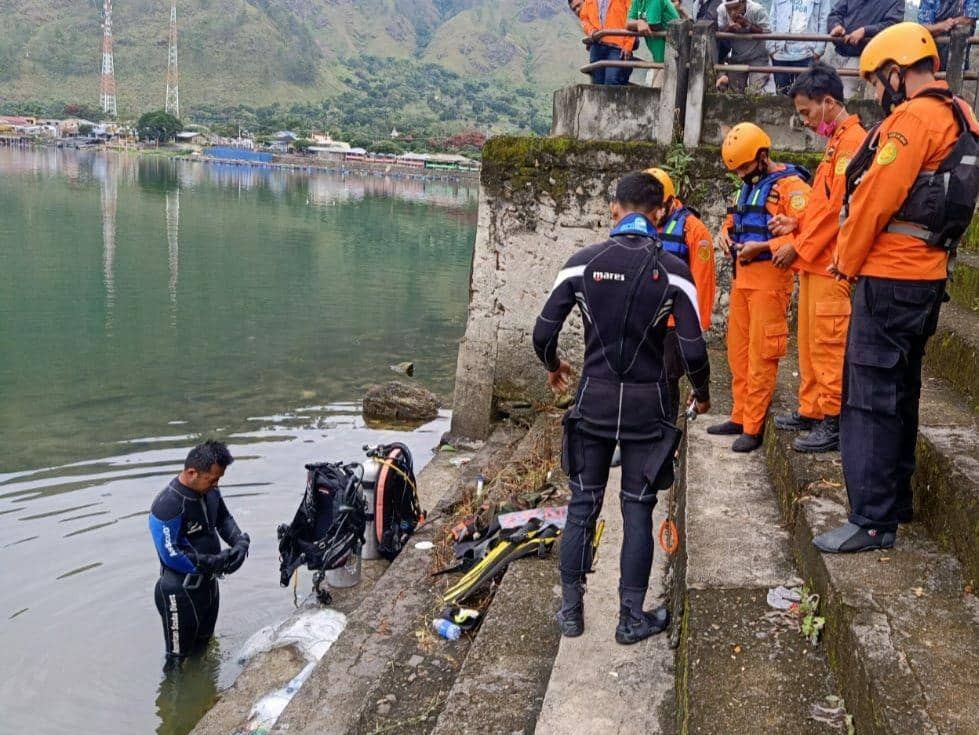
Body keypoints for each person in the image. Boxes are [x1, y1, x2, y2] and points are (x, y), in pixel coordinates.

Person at [813, 22, 979, 553]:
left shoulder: (913, 119)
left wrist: (844, 263)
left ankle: (871, 518)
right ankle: (896, 500)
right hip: (927, 275)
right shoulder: (961, 114)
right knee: (901, 390)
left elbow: (876, 199)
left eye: (875, 81)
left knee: (868, 398)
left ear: (895, 72)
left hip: (890, 276)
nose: (876, 93)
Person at [533, 171, 711, 644]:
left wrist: (553, 365)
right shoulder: (674, 270)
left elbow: (542, 334)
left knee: (582, 504)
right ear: (660, 213)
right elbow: (693, 350)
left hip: (592, 402)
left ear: (614, 209)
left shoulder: (581, 264)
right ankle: (630, 619)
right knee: (637, 509)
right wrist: (703, 392)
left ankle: (571, 613)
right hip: (647, 408)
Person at [768, 64, 866, 453]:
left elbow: (836, 212)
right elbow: (819, 204)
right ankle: (812, 408)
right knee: (809, 343)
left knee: (828, 342)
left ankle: (834, 418)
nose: (806, 121)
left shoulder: (852, 143)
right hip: (815, 260)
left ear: (828, 102)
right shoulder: (835, 145)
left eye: (807, 112)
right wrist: (795, 222)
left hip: (830, 263)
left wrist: (798, 244)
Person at [709, 122, 811, 453]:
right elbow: (733, 220)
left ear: (763, 156)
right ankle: (739, 415)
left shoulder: (792, 187)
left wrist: (765, 247)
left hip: (770, 280)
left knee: (761, 355)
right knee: (737, 352)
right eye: (737, 170)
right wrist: (725, 236)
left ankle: (753, 427)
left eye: (745, 167)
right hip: (742, 279)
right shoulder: (746, 188)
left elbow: (809, 233)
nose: (741, 174)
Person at [149, 440, 250, 659]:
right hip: (179, 592)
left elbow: (223, 518)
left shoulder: (211, 492)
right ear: (192, 473)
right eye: (212, 480)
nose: (216, 484)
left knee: (205, 648)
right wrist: (215, 562)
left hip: (209, 586)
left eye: (218, 480)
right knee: (177, 661)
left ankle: (206, 682)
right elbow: (171, 555)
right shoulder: (167, 504)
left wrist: (239, 542)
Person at [647, 166, 717, 415]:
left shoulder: (694, 231)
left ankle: (666, 429)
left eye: (656, 208)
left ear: (669, 201)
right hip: (645, 317)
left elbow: (703, 282)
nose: (652, 216)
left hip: (673, 323)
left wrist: (695, 328)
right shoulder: (641, 225)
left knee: (667, 379)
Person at [825, 0, 904, 98]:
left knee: (854, 97)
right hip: (839, 54)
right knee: (835, 95)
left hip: (871, 60)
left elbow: (893, 25)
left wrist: (865, 31)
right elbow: (835, 13)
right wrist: (836, 26)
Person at [767, 0, 832, 94]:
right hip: (780, 52)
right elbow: (772, 19)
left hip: (807, 52)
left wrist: (818, 51)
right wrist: (771, 49)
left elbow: (824, 21)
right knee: (782, 94)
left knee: (806, 94)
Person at [716, 0, 776, 94]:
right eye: (729, 9)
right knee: (735, 91)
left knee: (755, 91)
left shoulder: (756, 10)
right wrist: (729, 29)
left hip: (757, 56)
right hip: (737, 56)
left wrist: (748, 25)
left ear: (743, 2)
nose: (732, 13)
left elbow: (767, 32)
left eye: (736, 8)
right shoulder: (722, 10)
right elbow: (718, 32)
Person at [581, 0, 636, 86]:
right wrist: (591, 30)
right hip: (597, 46)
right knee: (596, 83)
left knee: (612, 80)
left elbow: (632, 18)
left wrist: (628, 45)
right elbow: (584, 18)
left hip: (617, 47)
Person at [627, 0, 681, 88]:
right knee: (654, 89)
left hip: (672, 58)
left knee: (656, 91)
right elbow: (627, 23)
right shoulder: (637, 1)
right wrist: (638, 23)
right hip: (659, 59)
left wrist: (637, 24)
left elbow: (653, 24)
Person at [918, 0, 976, 70]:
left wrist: (948, 24)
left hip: (959, 52)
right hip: (931, 54)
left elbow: (969, 18)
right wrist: (942, 26)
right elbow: (923, 26)